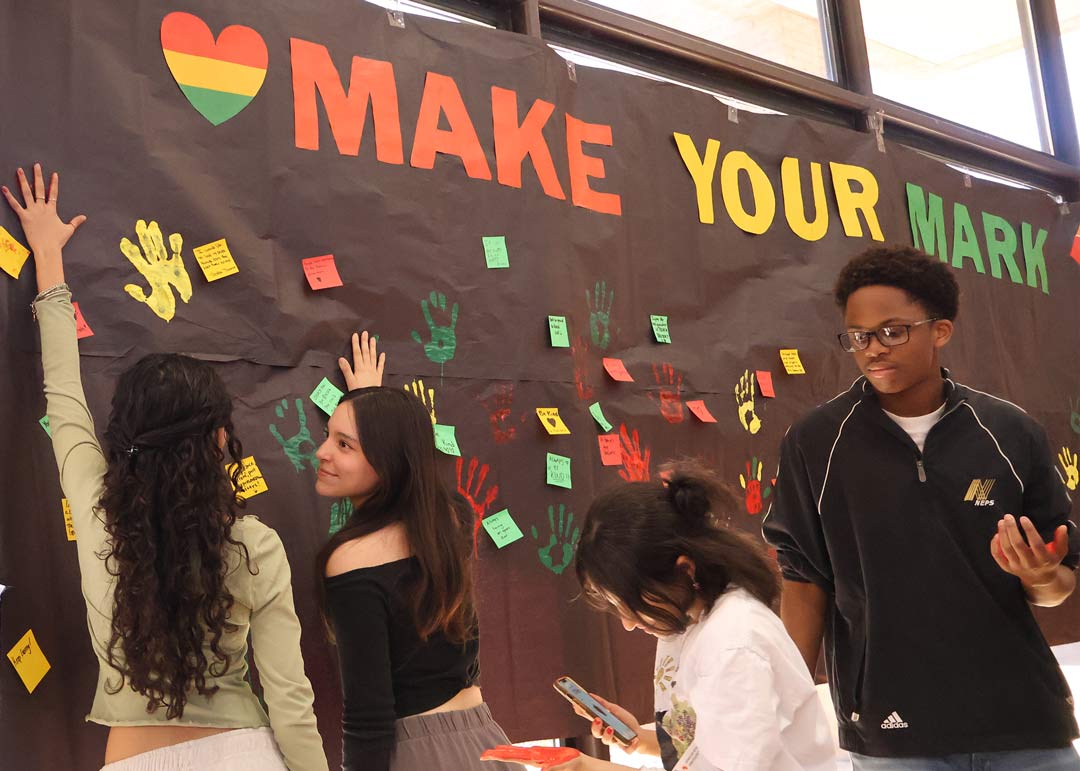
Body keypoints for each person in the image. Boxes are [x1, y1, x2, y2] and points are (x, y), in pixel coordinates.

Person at [5, 164, 328, 771]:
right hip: (247, 755)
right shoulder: (254, 543)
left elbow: (63, 390)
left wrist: (48, 257)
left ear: (124, 431)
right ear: (216, 442)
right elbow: (290, 698)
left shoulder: (97, 508)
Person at [763, 245, 1080, 770]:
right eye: (859, 337)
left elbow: (1054, 586)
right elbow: (804, 579)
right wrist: (785, 707)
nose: (873, 350)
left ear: (940, 330)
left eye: (892, 331)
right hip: (895, 735)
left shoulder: (1010, 432)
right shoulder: (816, 442)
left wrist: (1042, 575)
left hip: (1023, 720)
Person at [546, 461, 835, 771]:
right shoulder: (688, 622)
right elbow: (704, 747)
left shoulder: (733, 643)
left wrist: (590, 768)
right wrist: (638, 738)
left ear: (684, 570)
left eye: (631, 605)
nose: (628, 624)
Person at [314, 334, 517, 771]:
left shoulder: (350, 559)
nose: (322, 452)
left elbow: (368, 713)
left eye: (344, 445)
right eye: (328, 436)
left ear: (386, 459)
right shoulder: (451, 520)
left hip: (415, 753)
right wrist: (371, 408)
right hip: (485, 739)